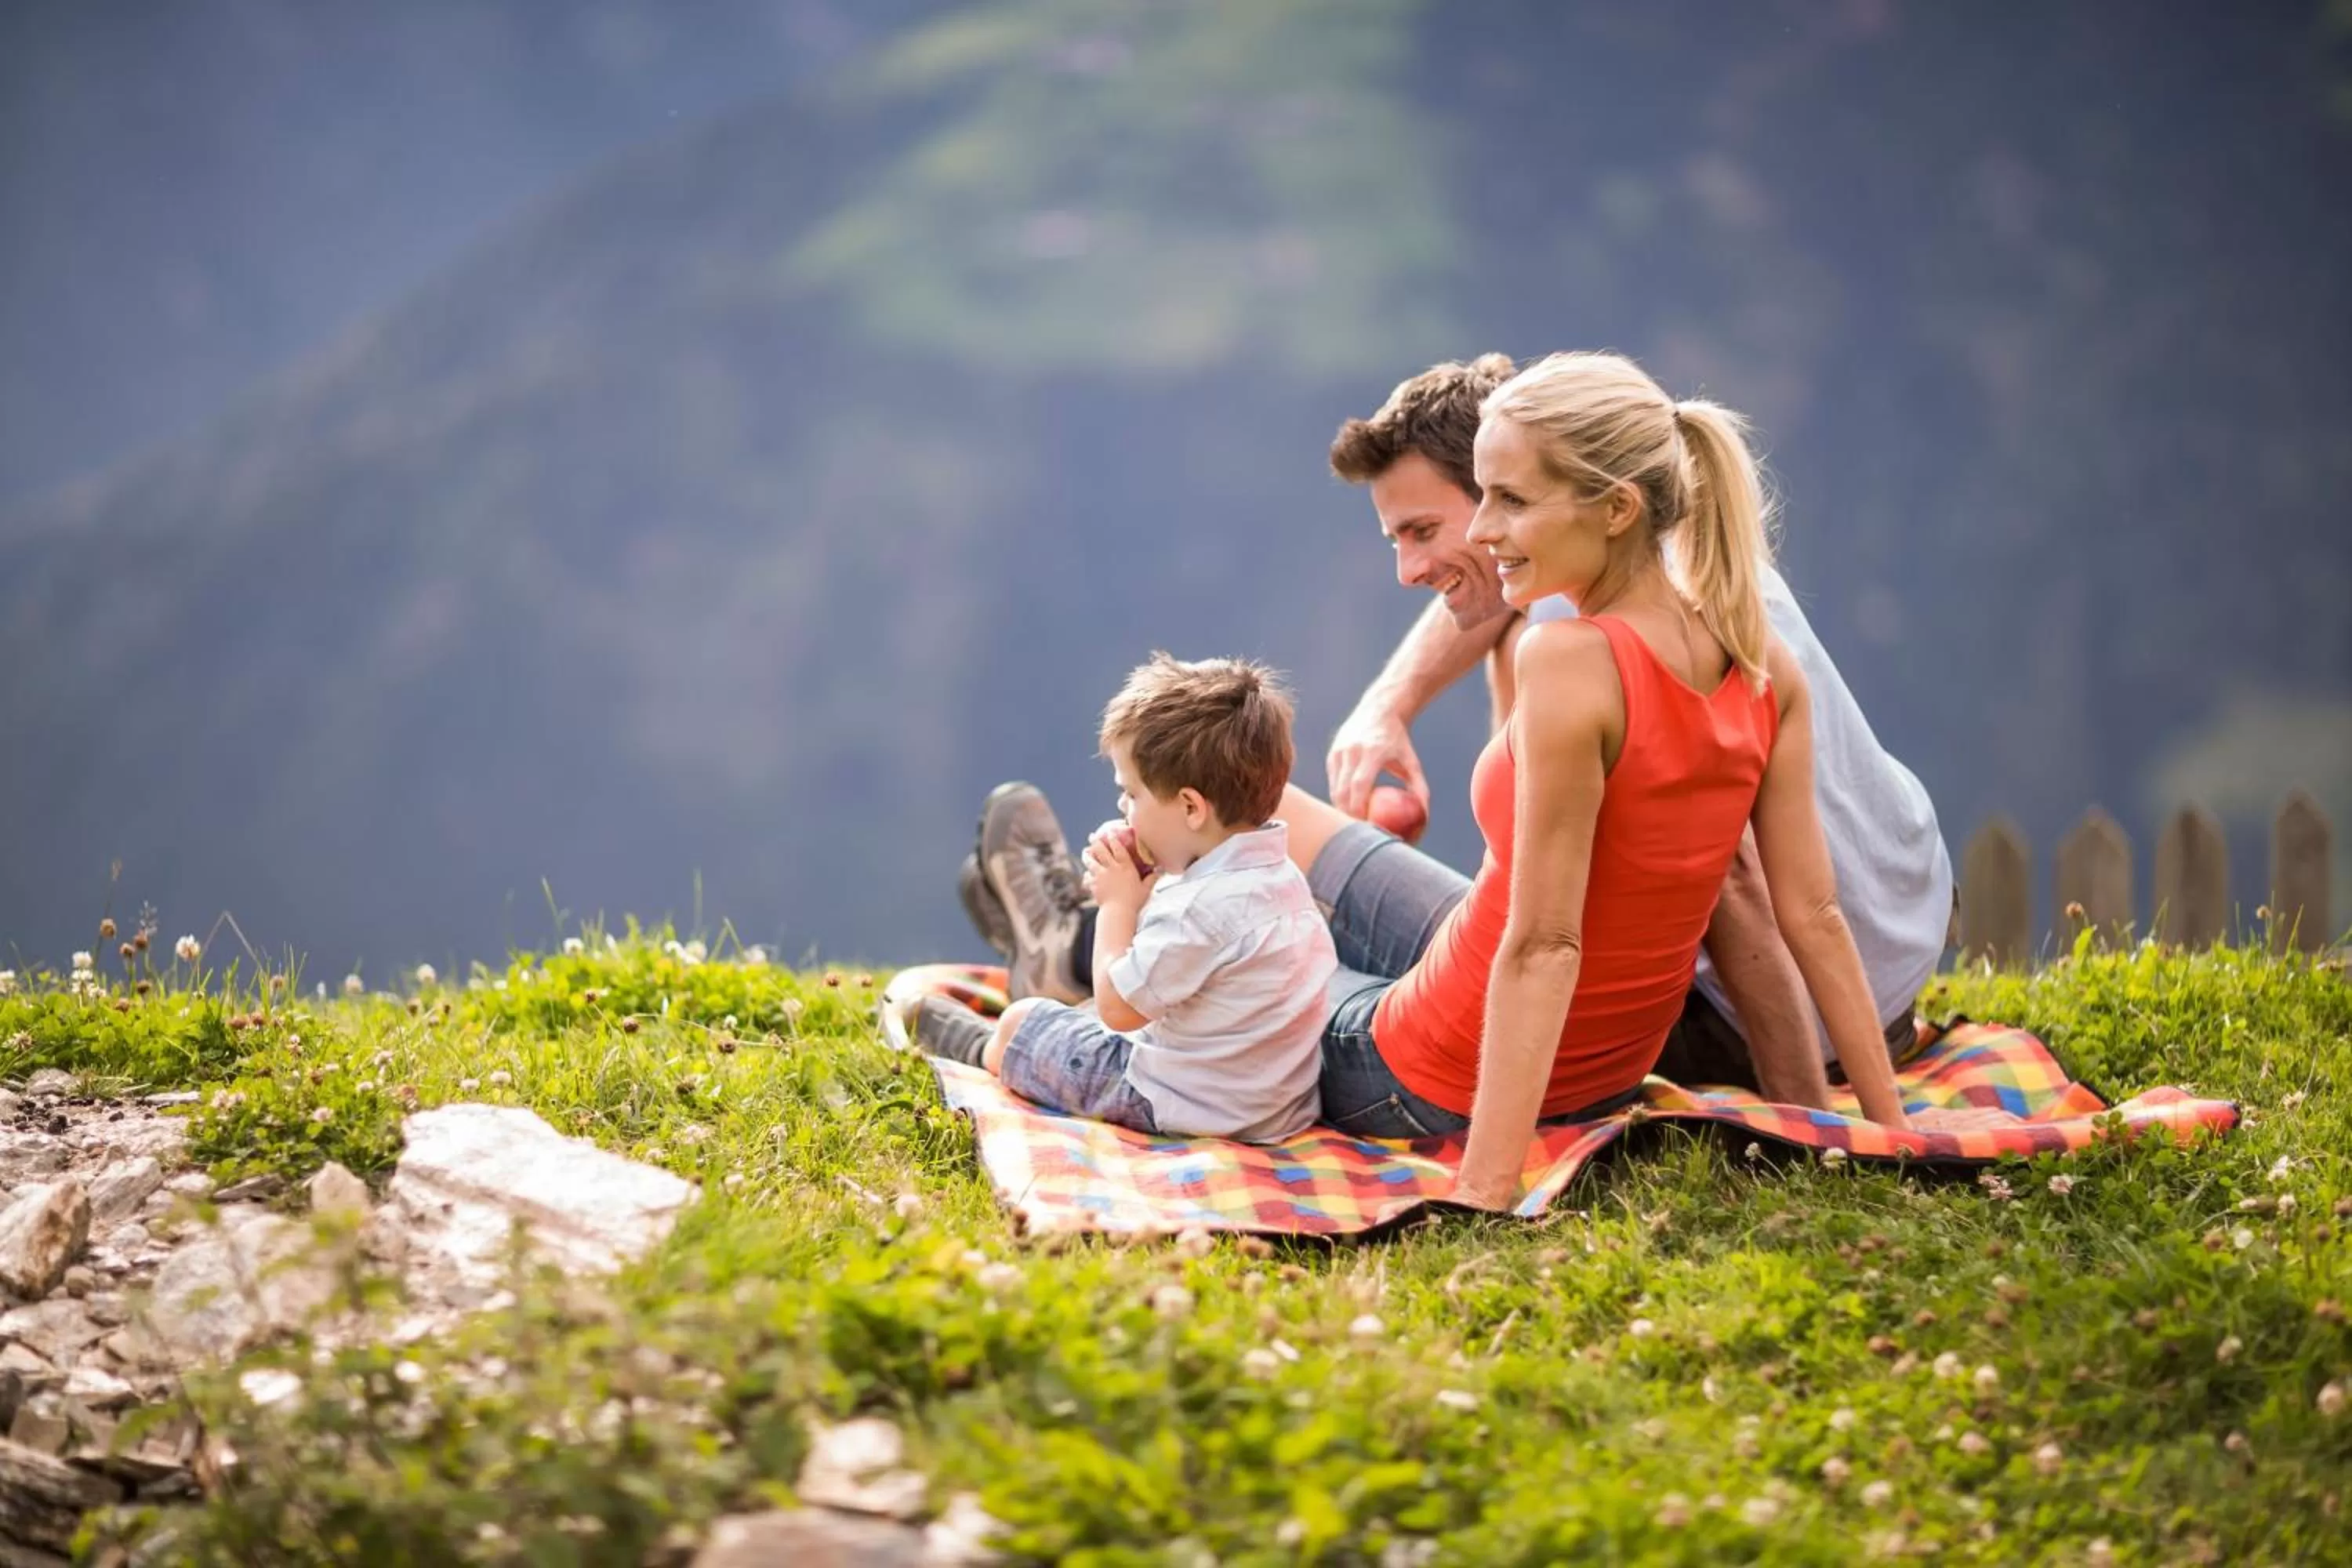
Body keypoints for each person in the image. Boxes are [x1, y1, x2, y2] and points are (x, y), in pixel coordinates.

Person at [980, 352, 1941, 1208]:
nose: (1484, 530)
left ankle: (1077, 963)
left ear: (1616, 507)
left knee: (1254, 966)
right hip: (1604, 1056)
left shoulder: (1568, 660)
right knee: (1276, 837)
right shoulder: (1752, 650)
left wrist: (1484, 1185)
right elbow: (1812, 913)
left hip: (1437, 1066)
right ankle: (1104, 933)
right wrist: (1872, 1128)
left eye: (1505, 502)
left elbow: (1547, 942)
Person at [918, 654, 1336, 1143]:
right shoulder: (1282, 879)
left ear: (1191, 807)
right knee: (1083, 1014)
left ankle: (984, 1048)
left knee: (1022, 1020)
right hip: (1276, 1110)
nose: (1123, 807)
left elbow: (1118, 1010)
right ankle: (1044, 963)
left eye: (1132, 795)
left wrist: (1117, 905)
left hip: (1183, 1104)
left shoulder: (1197, 910)